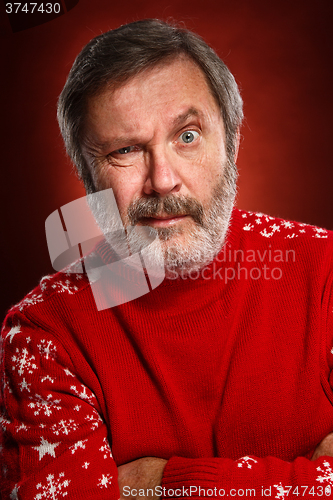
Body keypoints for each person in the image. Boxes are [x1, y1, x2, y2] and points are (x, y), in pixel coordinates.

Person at [1, 18, 333, 500]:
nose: (162, 180)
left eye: (188, 136)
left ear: (233, 141)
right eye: (126, 149)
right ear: (87, 175)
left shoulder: (325, 270)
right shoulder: (43, 335)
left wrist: (158, 484)